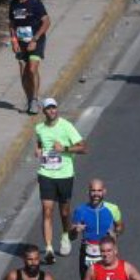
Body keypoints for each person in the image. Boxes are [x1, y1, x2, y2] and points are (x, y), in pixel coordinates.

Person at [36, 98, 88, 262]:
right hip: (46, 173)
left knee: (64, 212)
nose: (51, 111)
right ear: (44, 111)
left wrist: (64, 148)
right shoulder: (39, 128)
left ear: (57, 109)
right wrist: (38, 150)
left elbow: (83, 147)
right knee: (47, 210)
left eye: (54, 108)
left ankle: (65, 234)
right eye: (48, 109)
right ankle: (49, 249)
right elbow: (40, 142)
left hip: (65, 174)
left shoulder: (66, 126)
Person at [8, 0, 51, 113]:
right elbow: (12, 25)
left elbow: (46, 22)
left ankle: (35, 100)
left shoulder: (35, 3)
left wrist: (34, 39)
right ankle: (28, 99)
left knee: (32, 69)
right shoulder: (13, 4)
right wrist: (14, 41)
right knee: (23, 70)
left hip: (36, 40)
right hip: (21, 42)